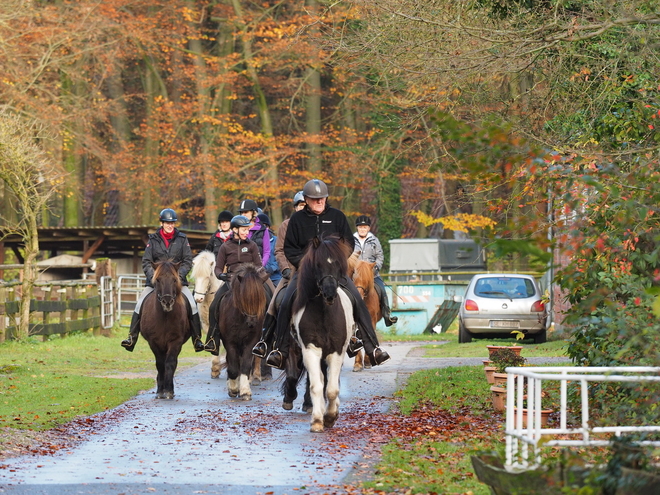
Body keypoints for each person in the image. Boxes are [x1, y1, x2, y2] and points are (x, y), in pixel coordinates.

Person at [264, 179, 390, 369]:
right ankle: (279, 350)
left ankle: (373, 348)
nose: (319, 202)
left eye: (322, 198)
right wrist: (304, 265)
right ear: (306, 199)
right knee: (283, 299)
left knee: (357, 298)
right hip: (305, 273)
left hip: (333, 271)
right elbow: (289, 248)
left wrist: (338, 260)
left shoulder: (337, 217)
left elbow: (349, 242)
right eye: (315, 199)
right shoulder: (296, 220)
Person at [121, 208, 204, 352]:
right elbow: (147, 261)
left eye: (172, 223)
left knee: (192, 304)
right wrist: (154, 277)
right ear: (162, 223)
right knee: (140, 303)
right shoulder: (152, 239)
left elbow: (187, 261)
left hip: (176, 282)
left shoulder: (182, 239)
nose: (170, 225)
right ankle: (131, 337)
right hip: (156, 282)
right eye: (167, 223)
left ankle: (197, 339)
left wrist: (178, 277)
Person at [203, 215, 271, 354]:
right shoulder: (225, 246)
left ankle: (268, 338)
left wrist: (259, 276)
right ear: (235, 229)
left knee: (270, 299)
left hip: (251, 282)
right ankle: (212, 340)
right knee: (214, 305)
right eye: (244, 229)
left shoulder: (251, 245)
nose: (247, 232)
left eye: (247, 229)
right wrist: (220, 275)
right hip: (232, 281)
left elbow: (258, 265)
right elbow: (218, 267)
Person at [252, 191, 305, 358]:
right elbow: (279, 250)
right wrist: (285, 269)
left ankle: (358, 337)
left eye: (306, 205)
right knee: (276, 302)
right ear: (296, 207)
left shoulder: (318, 224)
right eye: (300, 205)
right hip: (292, 273)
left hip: (316, 273)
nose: (303, 208)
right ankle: (268, 342)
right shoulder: (286, 225)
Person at [353, 215, 398, 327]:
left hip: (372, 274)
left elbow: (380, 256)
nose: (362, 229)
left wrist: (376, 268)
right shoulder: (351, 240)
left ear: (368, 228)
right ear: (357, 228)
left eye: (365, 227)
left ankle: (387, 315)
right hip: (355, 275)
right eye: (360, 227)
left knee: (382, 290)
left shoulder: (374, 241)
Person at [237, 199, 271, 267]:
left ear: (253, 213)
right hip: (239, 269)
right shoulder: (236, 230)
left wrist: (260, 265)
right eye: (241, 212)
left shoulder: (263, 230)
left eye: (246, 212)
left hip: (257, 269)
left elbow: (266, 252)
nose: (243, 215)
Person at [257, 213, 282, 286]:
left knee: (279, 296)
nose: (263, 229)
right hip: (258, 276)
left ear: (268, 227)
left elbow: (280, 257)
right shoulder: (254, 242)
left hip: (274, 277)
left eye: (265, 226)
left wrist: (272, 268)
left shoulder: (276, 241)